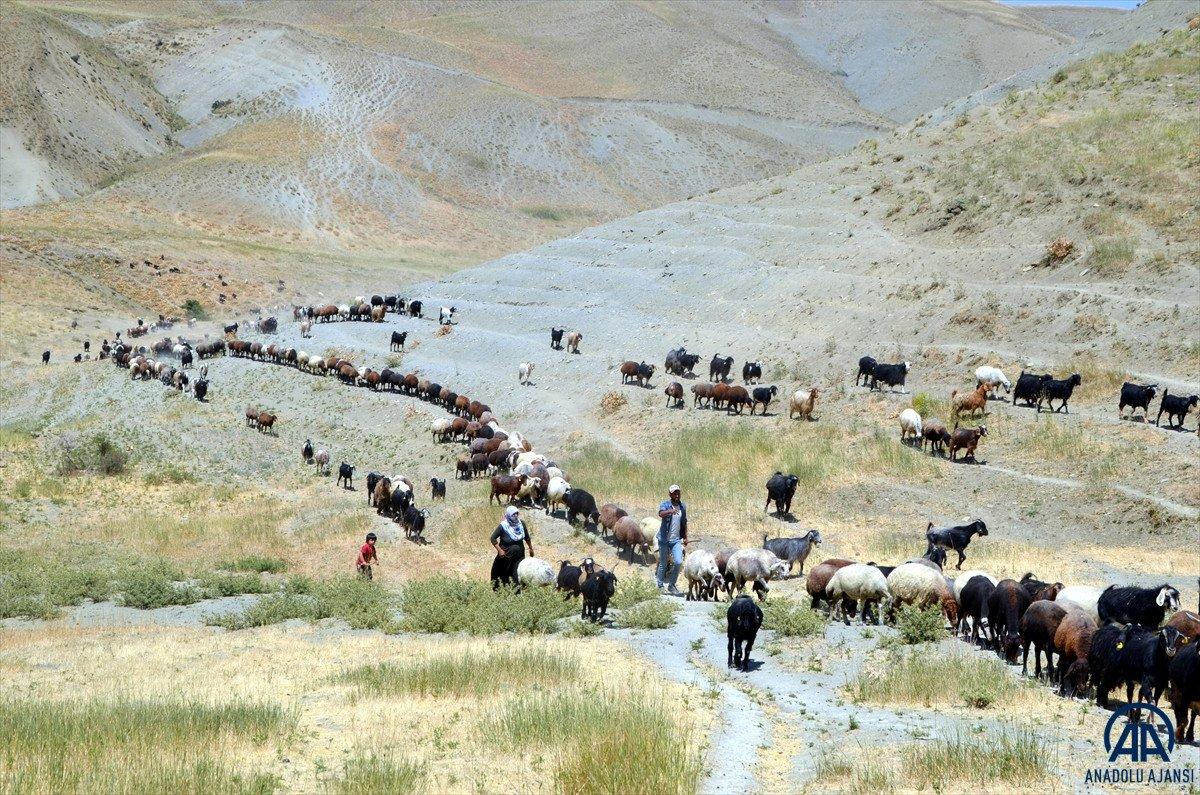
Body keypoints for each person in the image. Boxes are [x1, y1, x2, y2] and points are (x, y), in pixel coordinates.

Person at [490, 506, 534, 588]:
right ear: (508, 515)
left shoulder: (521, 524)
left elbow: (527, 537)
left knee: (517, 572)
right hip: (506, 555)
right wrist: (499, 550)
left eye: (517, 514)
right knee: (504, 572)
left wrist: (531, 548)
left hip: (519, 554)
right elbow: (493, 538)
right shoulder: (503, 526)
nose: (516, 516)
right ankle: (502, 590)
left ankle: (516, 591)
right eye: (513, 514)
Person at [656, 484, 688, 595]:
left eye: (678, 492)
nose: (677, 495)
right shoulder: (665, 504)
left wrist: (686, 537)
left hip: (675, 540)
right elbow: (660, 513)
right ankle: (659, 585)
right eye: (674, 493)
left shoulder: (683, 506)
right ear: (670, 494)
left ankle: (671, 585)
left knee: (678, 561)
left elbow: (684, 522)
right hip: (664, 539)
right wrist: (670, 511)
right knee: (663, 563)